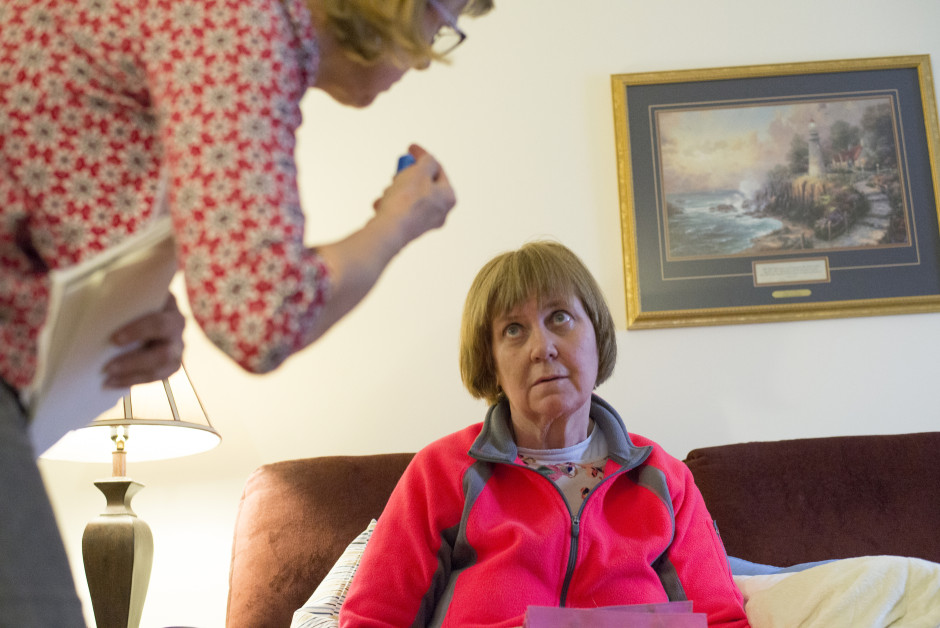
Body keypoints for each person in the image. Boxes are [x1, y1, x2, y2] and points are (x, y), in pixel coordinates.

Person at [0, 0, 493, 624]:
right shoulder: (238, 22)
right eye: (444, 20)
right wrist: (398, 221)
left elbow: (57, 184)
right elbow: (263, 319)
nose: (430, 53)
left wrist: (142, 310)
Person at [340, 241, 749, 627]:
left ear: (596, 333)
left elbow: (722, 619)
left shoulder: (665, 477)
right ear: (491, 362)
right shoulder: (440, 472)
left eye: (559, 318)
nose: (542, 347)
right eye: (514, 330)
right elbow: (372, 620)